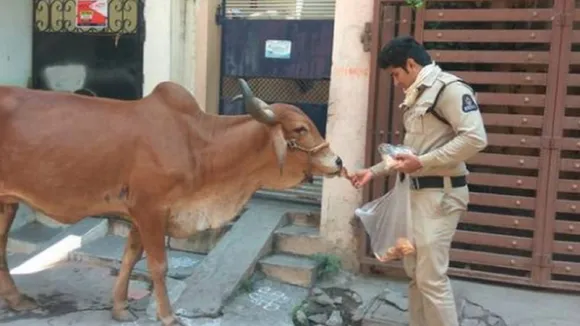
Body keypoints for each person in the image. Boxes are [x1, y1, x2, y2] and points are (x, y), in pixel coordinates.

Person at [349, 35, 488, 326]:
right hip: (416, 196)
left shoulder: (449, 90)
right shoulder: (418, 95)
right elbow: (411, 154)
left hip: (440, 198)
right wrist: (372, 171)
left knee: (431, 279)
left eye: (396, 74)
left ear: (411, 64)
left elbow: (475, 139)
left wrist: (423, 162)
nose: (396, 81)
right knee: (416, 276)